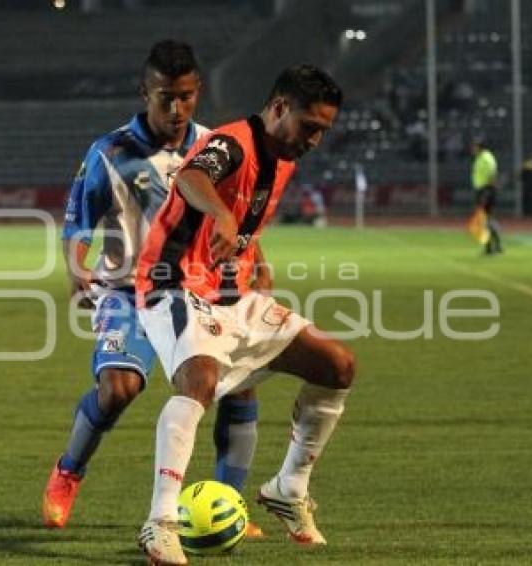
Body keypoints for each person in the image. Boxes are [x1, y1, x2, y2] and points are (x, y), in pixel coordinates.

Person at [44, 40, 268, 537]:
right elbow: (77, 221)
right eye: (165, 96)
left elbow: (240, 218)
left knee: (238, 385)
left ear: (198, 92)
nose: (176, 108)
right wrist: (76, 270)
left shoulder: (216, 146)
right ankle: (68, 471)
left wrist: (260, 263)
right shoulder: (111, 152)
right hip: (129, 290)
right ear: (144, 91)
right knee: (118, 389)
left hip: (201, 289)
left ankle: (228, 502)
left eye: (186, 96)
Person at [135, 64, 355, 565]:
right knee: (199, 380)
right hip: (171, 285)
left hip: (229, 293)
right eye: (309, 127)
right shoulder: (233, 141)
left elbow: (248, 224)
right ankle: (161, 521)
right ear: (278, 108)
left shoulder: (283, 158)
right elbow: (192, 176)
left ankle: (288, 488)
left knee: (336, 365)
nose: (315, 141)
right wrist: (220, 213)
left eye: (324, 130)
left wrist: (258, 260)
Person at [470, 137, 503, 255]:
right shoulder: (480, 158)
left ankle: (494, 246)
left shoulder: (486, 158)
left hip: (486, 190)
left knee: (486, 219)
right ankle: (493, 246)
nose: (472, 148)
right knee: (485, 219)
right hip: (482, 190)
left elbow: (492, 176)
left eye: (474, 146)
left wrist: (487, 194)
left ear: (480, 147)